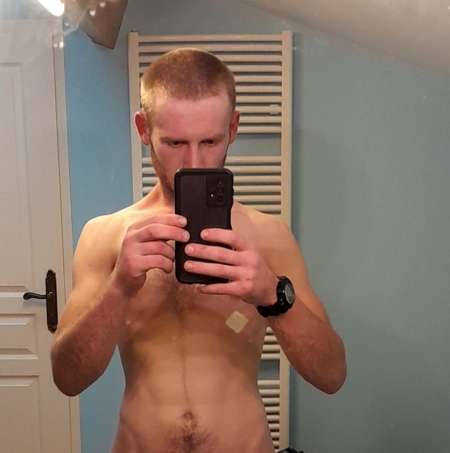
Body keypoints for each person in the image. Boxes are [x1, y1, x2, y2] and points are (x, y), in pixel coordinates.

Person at [50, 48, 347, 453]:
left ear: (233, 128)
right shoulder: (105, 236)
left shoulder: (269, 237)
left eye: (210, 141)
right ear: (143, 128)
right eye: (174, 142)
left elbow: (331, 375)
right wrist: (118, 289)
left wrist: (272, 295)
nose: (193, 162)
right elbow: (67, 379)